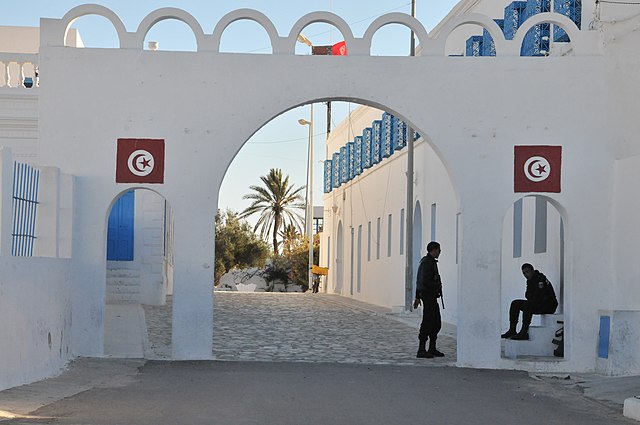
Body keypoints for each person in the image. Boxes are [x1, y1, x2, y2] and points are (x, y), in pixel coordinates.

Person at [501, 263, 558, 340]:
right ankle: (512, 330)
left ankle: (524, 332)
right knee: (515, 303)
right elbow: (527, 295)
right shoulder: (529, 281)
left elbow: (539, 296)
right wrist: (532, 297)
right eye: (524, 273)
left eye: (527, 272)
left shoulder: (540, 278)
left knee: (528, 305)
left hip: (549, 306)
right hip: (539, 304)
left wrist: (532, 297)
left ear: (532, 271)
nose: (525, 274)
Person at [413, 241, 444, 358]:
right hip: (428, 296)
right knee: (428, 322)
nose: (440, 252)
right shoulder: (426, 263)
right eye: (438, 250)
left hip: (431, 296)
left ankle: (432, 348)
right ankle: (421, 349)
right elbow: (422, 281)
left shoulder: (430, 262)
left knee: (436, 322)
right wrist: (419, 296)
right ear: (434, 250)